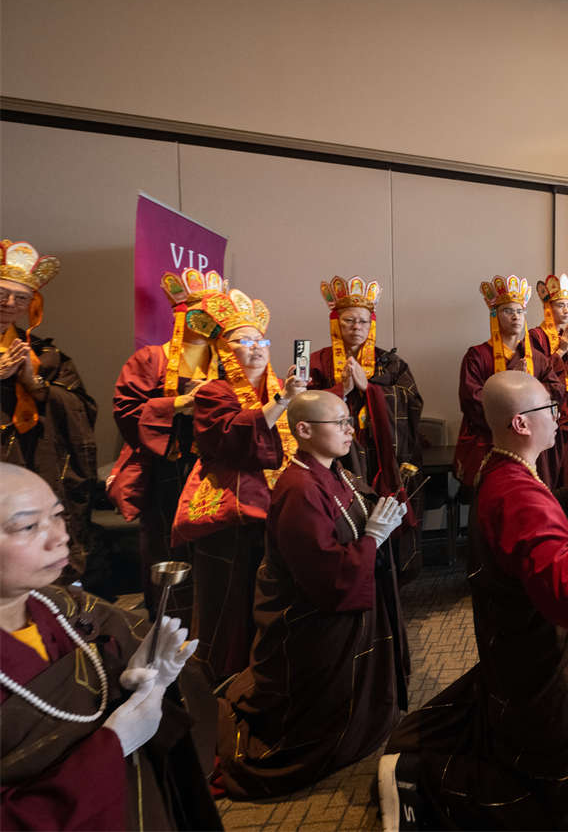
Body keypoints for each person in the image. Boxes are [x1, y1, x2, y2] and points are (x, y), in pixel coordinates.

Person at [377, 371, 568, 831]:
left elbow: (534, 532)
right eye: (549, 410)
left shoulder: (502, 468)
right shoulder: (516, 490)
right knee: (561, 788)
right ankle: (419, 779)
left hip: (514, 625)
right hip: (538, 639)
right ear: (521, 423)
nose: (558, 417)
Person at [0, 463, 221, 831]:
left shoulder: (68, 607)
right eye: (28, 527)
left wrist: (145, 683)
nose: (60, 537)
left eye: (58, 515)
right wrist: (114, 744)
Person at [216, 390, 410, 799]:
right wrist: (373, 537)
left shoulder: (336, 472)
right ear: (303, 430)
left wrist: (383, 517)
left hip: (341, 608)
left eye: (348, 421)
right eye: (339, 423)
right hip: (310, 617)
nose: (349, 430)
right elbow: (327, 574)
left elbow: (358, 517)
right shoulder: (299, 488)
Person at [171, 288, 305, 685]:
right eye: (243, 341)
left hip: (280, 508)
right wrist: (281, 401)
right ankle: (225, 679)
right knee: (232, 601)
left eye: (261, 340)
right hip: (233, 514)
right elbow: (229, 438)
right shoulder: (214, 392)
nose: (256, 348)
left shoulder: (280, 386)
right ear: (223, 349)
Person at [108, 267, 220, 620]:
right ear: (180, 313)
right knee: (167, 544)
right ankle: (168, 619)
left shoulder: (226, 361)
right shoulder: (151, 358)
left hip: (213, 470)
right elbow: (126, 410)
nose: (207, 320)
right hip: (166, 467)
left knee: (213, 545)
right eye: (200, 312)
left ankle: (209, 622)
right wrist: (180, 404)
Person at [309, 275, 423, 582]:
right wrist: (341, 391)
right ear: (336, 322)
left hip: (380, 453)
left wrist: (369, 388)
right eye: (349, 320)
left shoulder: (391, 363)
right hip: (339, 458)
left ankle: (390, 578)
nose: (356, 327)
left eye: (363, 321)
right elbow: (304, 406)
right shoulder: (318, 361)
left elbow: (412, 402)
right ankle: (348, 573)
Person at [0, 240, 97, 577]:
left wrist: (36, 384)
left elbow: (82, 408)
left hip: (35, 461)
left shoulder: (46, 354)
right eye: (2, 294)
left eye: (21, 298)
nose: (10, 304)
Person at [455, 274, 564, 488]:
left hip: (530, 443)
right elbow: (470, 399)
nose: (516, 317)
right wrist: (512, 385)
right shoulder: (477, 356)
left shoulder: (537, 358)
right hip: (491, 442)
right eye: (508, 311)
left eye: (520, 311)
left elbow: (557, 390)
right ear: (495, 315)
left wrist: (528, 384)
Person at [528, 273, 568, 499]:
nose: (566, 311)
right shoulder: (535, 336)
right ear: (548, 308)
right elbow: (536, 374)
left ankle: (567, 521)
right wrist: (560, 352)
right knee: (546, 477)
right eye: (559, 305)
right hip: (547, 416)